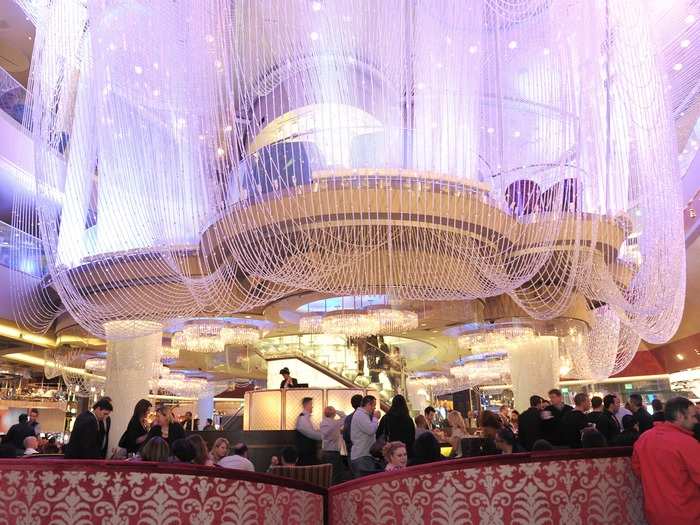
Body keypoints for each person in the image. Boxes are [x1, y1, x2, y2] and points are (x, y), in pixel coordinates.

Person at [632, 397, 700, 525]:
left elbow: (638, 471)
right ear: (680, 416)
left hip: (655, 515)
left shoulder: (644, 438)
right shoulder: (688, 443)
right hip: (688, 515)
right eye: (693, 416)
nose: (696, 420)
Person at [350, 395, 380, 477]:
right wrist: (375, 418)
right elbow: (370, 430)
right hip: (362, 456)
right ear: (368, 404)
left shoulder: (363, 415)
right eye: (374, 405)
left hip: (363, 455)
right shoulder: (361, 415)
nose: (374, 408)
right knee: (365, 484)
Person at [320, 406, 346, 484]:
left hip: (324, 451)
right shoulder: (336, 423)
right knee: (336, 475)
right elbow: (345, 417)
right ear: (333, 414)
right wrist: (337, 411)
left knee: (326, 474)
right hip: (333, 452)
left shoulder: (322, 422)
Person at [295, 397, 322, 465]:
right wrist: (322, 436)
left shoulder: (306, 418)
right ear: (306, 405)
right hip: (306, 453)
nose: (312, 406)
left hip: (308, 452)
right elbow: (310, 434)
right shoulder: (302, 418)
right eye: (311, 404)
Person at [342, 394, 363, 459]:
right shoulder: (365, 417)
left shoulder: (348, 418)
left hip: (351, 450)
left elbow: (345, 436)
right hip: (363, 452)